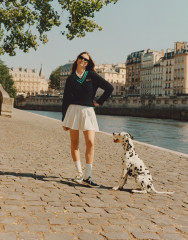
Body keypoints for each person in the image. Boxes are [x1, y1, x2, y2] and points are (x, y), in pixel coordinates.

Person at [62, 51, 114, 188]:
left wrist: (99, 102)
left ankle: (88, 176)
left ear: (88, 63)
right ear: (77, 59)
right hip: (72, 111)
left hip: (88, 112)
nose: (83, 61)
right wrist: (64, 119)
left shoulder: (92, 76)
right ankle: (79, 173)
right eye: (81, 58)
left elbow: (109, 88)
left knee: (90, 142)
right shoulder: (70, 79)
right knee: (74, 144)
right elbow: (65, 99)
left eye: (86, 59)